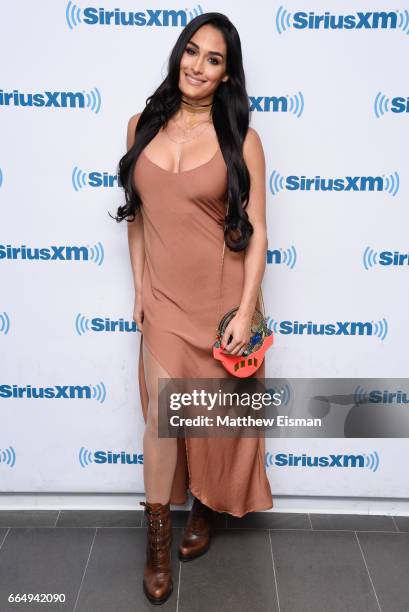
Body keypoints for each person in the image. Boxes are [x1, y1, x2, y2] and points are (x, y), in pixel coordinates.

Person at [113, 11, 273, 605]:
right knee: (162, 418)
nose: (197, 65)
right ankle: (157, 539)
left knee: (210, 420)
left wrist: (245, 309)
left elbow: (256, 233)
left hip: (221, 300)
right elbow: (137, 219)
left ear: (227, 76)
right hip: (163, 299)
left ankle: (204, 509)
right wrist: (139, 289)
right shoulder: (140, 127)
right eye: (192, 51)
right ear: (178, 53)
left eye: (213, 59)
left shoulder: (242, 139)